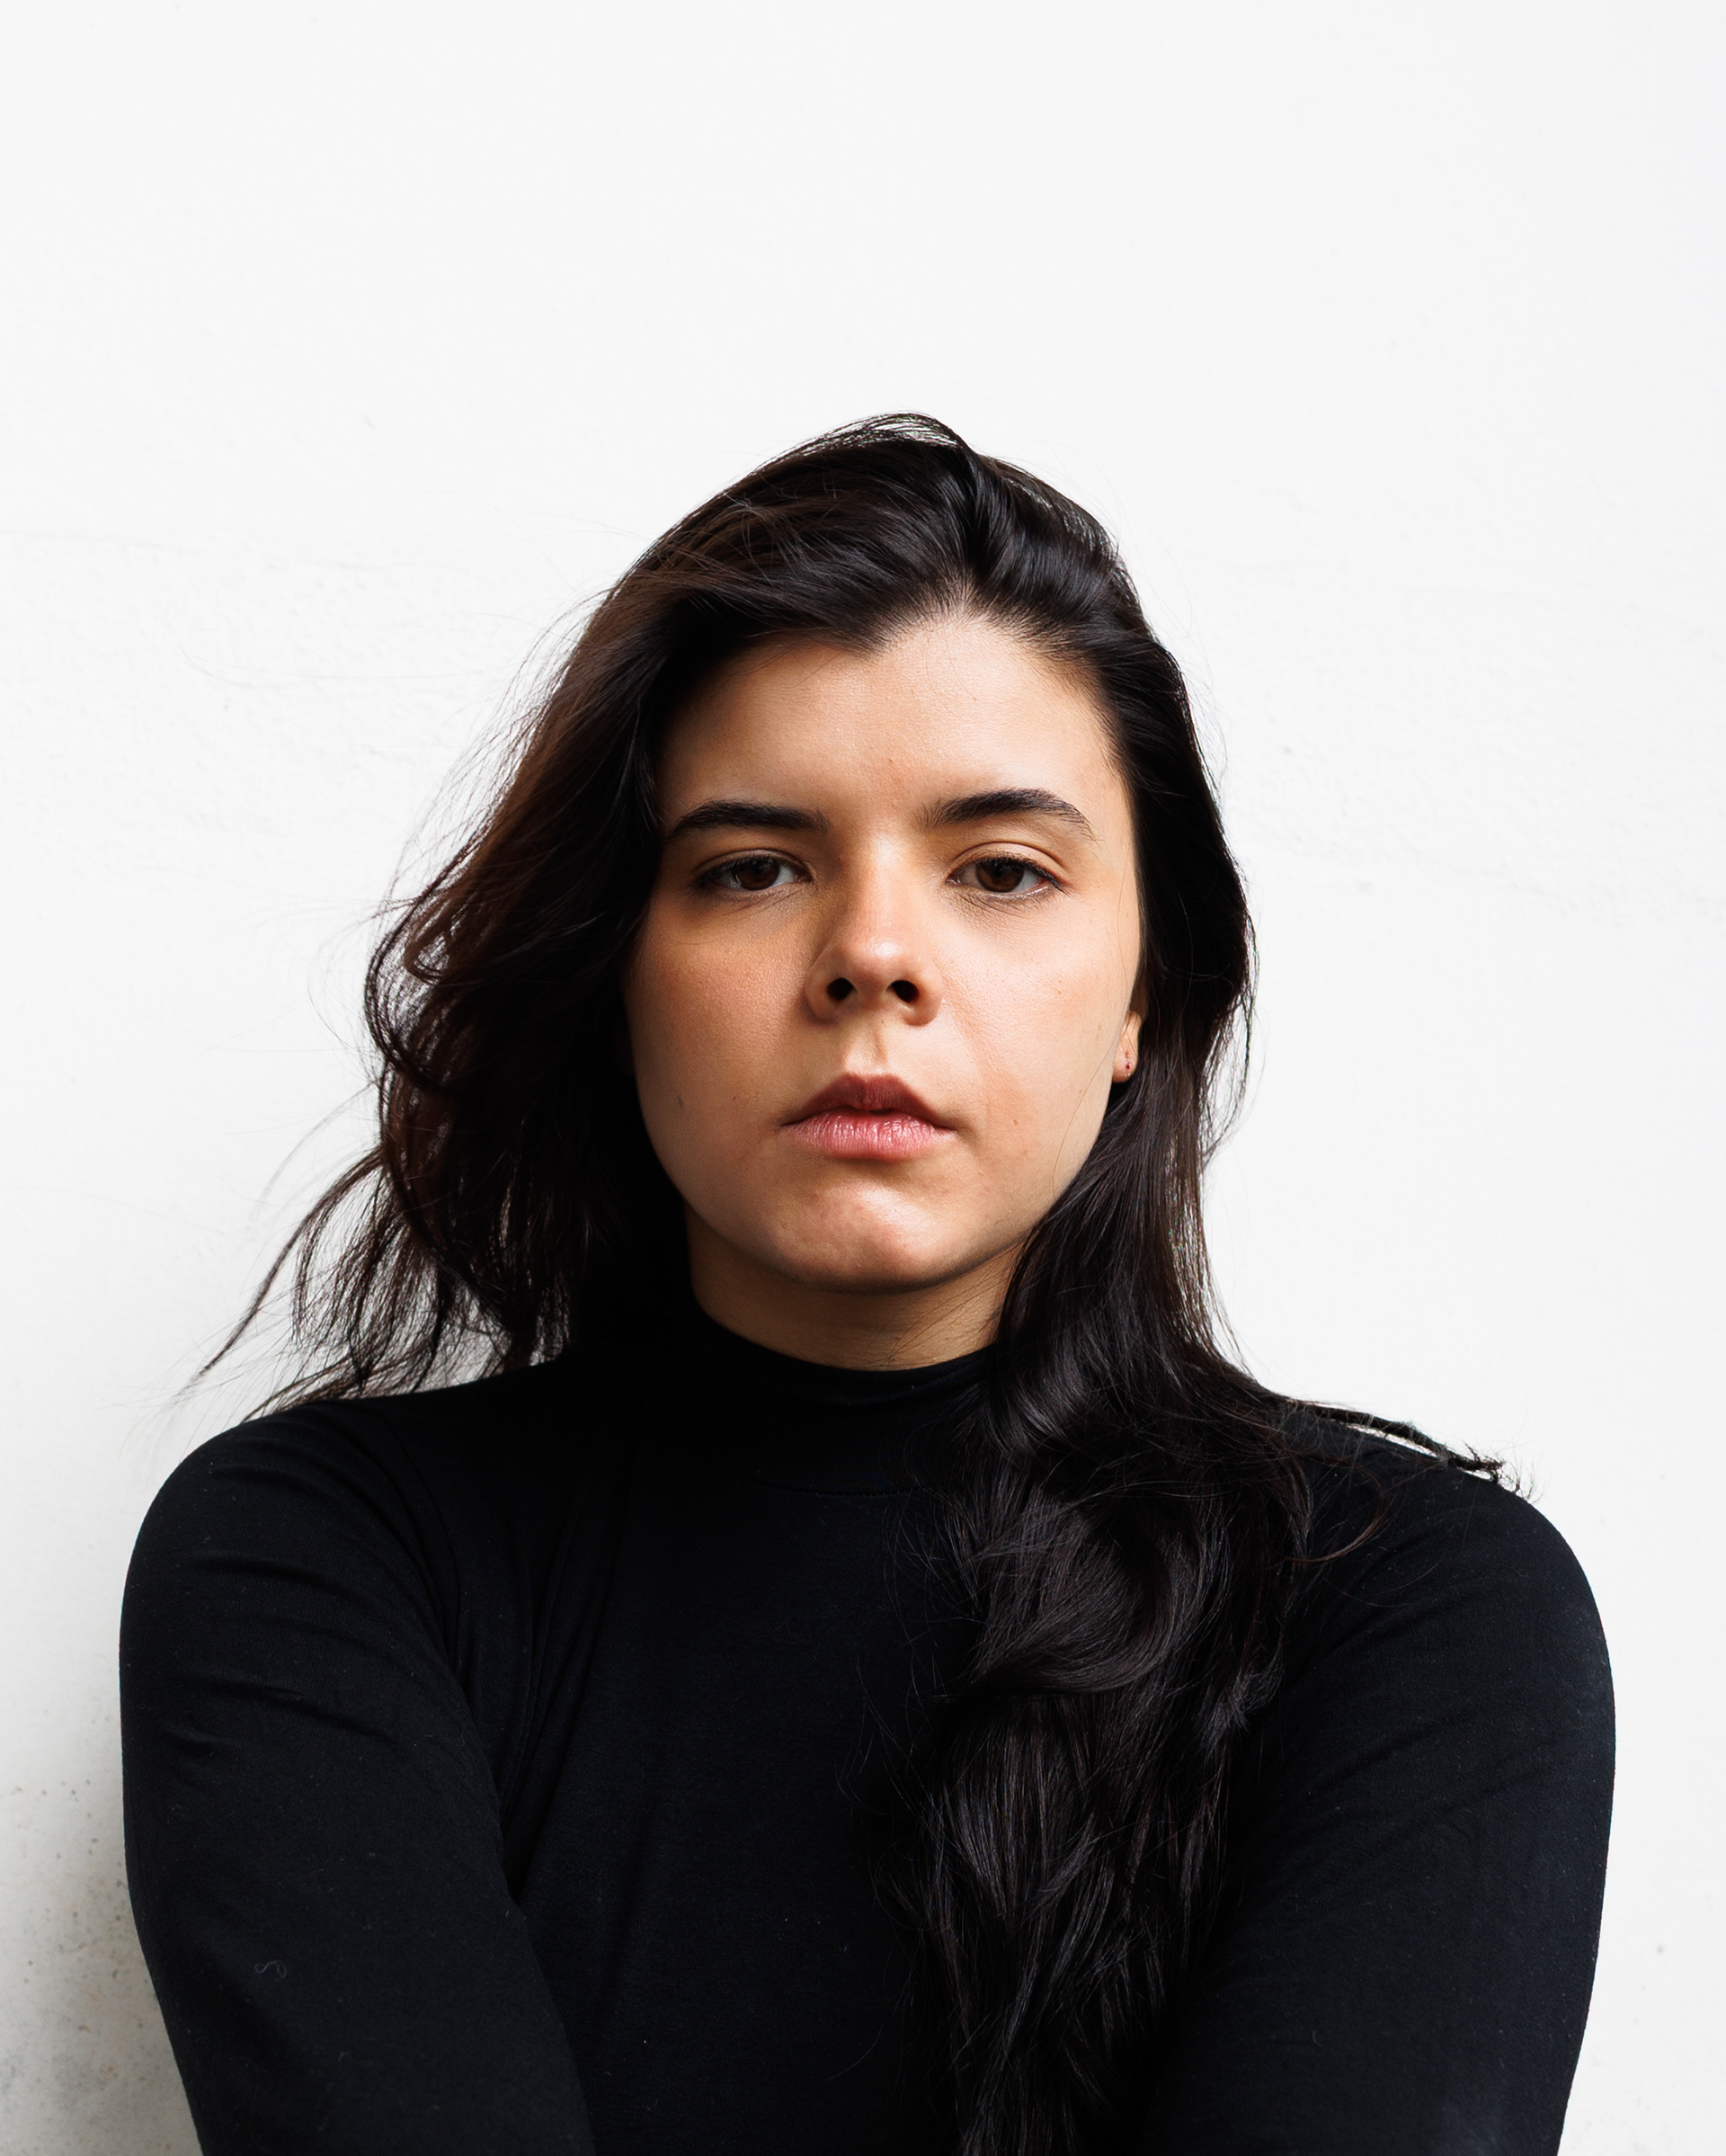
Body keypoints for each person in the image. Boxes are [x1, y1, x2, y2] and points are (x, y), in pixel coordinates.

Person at [120, 415, 1613, 2156]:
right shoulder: (324, 1566)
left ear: (1144, 992)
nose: (874, 956)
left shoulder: (1412, 1609)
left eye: (1002, 871)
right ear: (619, 971)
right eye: (752, 867)